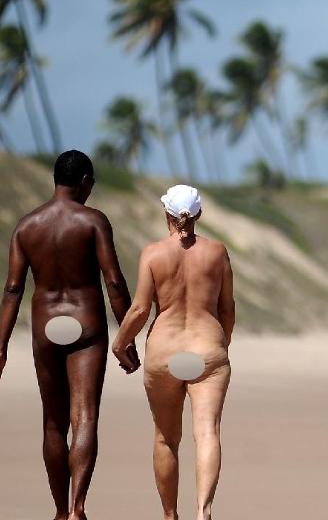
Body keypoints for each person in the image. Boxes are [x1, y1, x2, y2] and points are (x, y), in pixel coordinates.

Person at [0, 149, 139, 520]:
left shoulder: (26, 226)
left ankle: (58, 510)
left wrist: (0, 347)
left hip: (46, 328)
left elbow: (12, 290)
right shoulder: (93, 221)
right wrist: (127, 336)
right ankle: (79, 508)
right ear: (84, 181)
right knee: (84, 417)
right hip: (86, 325)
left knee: (53, 422)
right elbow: (113, 281)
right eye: (92, 184)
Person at [112, 184, 235, 520]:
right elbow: (227, 310)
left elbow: (139, 310)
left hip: (164, 355)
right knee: (207, 431)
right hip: (206, 353)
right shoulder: (217, 252)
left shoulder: (152, 253)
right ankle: (203, 511)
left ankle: (170, 516)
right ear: (199, 215)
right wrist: (221, 346)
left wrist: (120, 343)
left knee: (166, 438)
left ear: (166, 213)